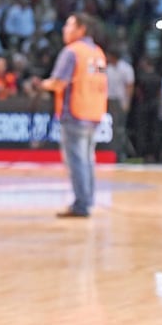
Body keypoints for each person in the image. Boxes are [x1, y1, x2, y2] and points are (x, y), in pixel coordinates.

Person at [41, 13, 108, 218]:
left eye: (69, 26)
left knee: (77, 161)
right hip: (94, 112)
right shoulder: (97, 52)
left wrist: (42, 85)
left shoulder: (72, 52)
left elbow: (59, 82)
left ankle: (81, 204)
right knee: (87, 160)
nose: (65, 29)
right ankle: (87, 199)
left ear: (81, 30)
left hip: (75, 111)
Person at [104, 46, 135, 162]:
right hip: (107, 100)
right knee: (109, 128)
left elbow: (129, 86)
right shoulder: (106, 68)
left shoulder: (126, 68)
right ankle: (110, 151)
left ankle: (121, 153)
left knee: (119, 128)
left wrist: (127, 102)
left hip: (120, 101)